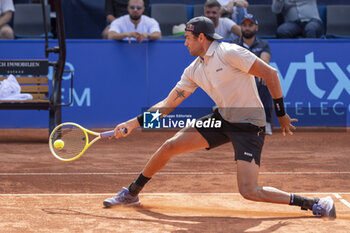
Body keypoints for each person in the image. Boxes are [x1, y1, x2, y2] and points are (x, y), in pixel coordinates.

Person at [103, 16, 336, 219]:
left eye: (187, 38)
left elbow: (271, 74)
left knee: (249, 191)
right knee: (170, 146)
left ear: (201, 38)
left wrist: (281, 113)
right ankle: (131, 193)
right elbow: (167, 105)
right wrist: (133, 124)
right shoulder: (194, 69)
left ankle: (314, 203)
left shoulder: (229, 53)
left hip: (249, 124)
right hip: (223, 118)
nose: (184, 42)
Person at [231, 14, 273, 134]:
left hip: (256, 78)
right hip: (238, 77)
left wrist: (263, 73)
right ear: (241, 27)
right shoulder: (233, 44)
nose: (247, 28)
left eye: (250, 25)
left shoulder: (263, 44)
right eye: (244, 25)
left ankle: (266, 123)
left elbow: (265, 60)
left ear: (256, 28)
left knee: (265, 80)